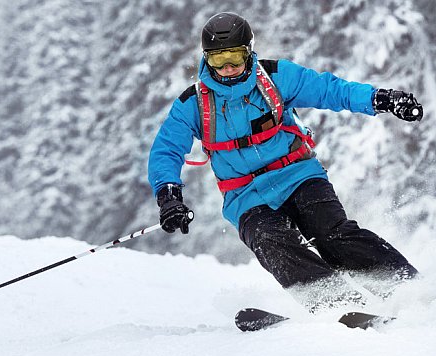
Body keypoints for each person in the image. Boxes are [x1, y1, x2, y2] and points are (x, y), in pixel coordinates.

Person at [148, 12, 421, 310]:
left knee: (332, 234)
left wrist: (379, 98)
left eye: (235, 58)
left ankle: (405, 286)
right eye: (218, 59)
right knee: (270, 240)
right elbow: (166, 149)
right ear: (206, 59)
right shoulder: (193, 103)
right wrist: (168, 197)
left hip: (298, 175)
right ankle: (336, 304)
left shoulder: (276, 77)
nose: (227, 68)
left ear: (249, 52)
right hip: (246, 195)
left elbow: (330, 90)